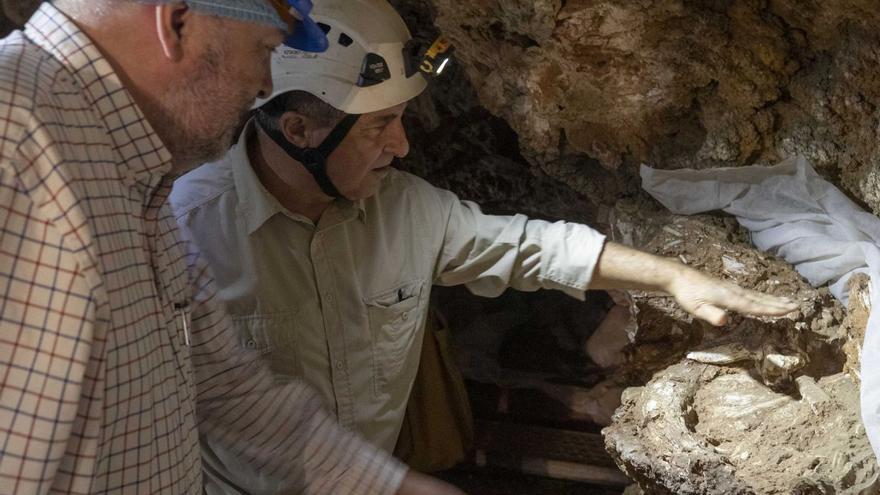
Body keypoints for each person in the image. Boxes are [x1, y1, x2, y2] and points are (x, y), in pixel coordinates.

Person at [171, 0, 798, 483]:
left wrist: (672, 277)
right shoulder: (185, 232)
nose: (402, 146)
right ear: (300, 130)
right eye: (380, 126)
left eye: (402, 121)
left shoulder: (406, 209)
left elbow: (530, 248)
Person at [0, 0, 462, 493]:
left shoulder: (134, 175)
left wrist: (389, 486)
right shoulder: (20, 153)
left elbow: (226, 386)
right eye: (263, 50)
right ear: (176, 24)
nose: (266, 87)